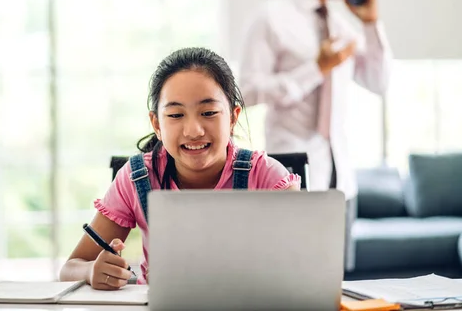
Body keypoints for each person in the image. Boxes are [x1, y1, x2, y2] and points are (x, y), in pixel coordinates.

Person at [59, 47, 300, 289]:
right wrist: (93, 271)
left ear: (232, 117)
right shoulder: (137, 177)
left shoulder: (267, 177)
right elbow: (71, 267)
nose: (193, 130)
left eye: (208, 112)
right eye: (175, 115)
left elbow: (301, 268)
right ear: (157, 124)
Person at [236, 0, 392, 272]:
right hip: (290, 171)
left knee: (334, 280)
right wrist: (315, 69)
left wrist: (371, 22)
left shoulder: (344, 28)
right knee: (290, 275)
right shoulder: (270, 18)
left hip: (340, 177)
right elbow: (245, 91)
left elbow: (379, 82)